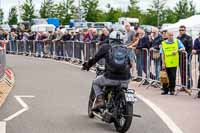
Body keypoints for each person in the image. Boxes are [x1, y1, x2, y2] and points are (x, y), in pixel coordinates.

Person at [82, 31, 132, 109]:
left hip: (110, 78)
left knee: (95, 83)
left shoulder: (106, 47)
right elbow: (130, 64)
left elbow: (95, 58)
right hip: (125, 79)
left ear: (110, 39)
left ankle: (100, 100)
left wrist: (87, 65)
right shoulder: (125, 49)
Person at [177, 25, 193, 95]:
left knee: (188, 72)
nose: (181, 31)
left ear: (185, 30)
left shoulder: (189, 38)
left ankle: (189, 86)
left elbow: (190, 49)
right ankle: (183, 85)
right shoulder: (177, 38)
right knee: (181, 72)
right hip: (180, 57)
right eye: (180, 30)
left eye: (182, 30)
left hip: (186, 57)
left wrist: (188, 58)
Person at [192, 33, 200, 98]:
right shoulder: (196, 40)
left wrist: (197, 51)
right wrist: (196, 51)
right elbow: (194, 48)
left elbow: (196, 50)